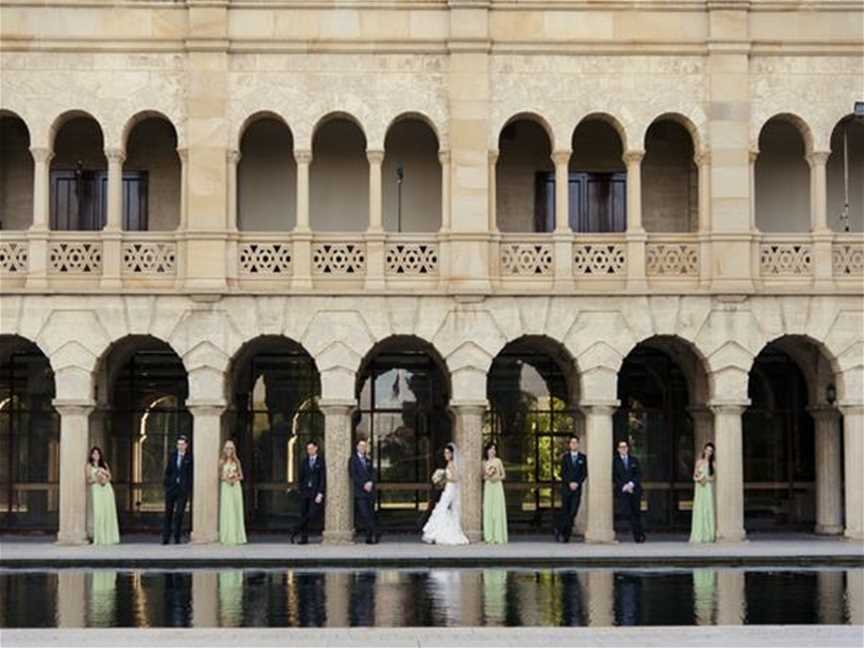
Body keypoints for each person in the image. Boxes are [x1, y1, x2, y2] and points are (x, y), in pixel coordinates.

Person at [422, 443, 469, 545]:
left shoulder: (452, 464)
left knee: (442, 508)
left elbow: (456, 478)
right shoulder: (449, 464)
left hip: (450, 490)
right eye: (445, 453)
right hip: (447, 489)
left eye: (448, 453)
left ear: (452, 454)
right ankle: (439, 533)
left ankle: (442, 534)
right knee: (442, 509)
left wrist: (445, 478)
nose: (446, 455)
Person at [290, 440, 326, 544]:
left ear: (316, 448)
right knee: (304, 513)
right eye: (308, 449)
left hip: (315, 492)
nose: (309, 450)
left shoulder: (321, 461)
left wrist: (320, 493)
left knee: (311, 514)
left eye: (311, 448)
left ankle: (295, 529)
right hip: (305, 492)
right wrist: (301, 489)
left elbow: (322, 478)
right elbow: (301, 477)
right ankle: (303, 538)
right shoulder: (304, 461)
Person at [554, 435, 587, 543]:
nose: (574, 444)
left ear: (578, 444)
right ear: (569, 445)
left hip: (577, 489)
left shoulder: (583, 458)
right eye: (572, 443)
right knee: (566, 511)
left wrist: (577, 483)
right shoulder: (565, 457)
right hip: (566, 488)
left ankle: (560, 529)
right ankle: (565, 535)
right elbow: (562, 472)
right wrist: (569, 482)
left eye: (575, 443)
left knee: (573, 512)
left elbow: (584, 473)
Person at [613, 439, 645, 543]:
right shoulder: (615, 461)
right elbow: (615, 476)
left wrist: (631, 484)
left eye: (625, 447)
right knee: (626, 513)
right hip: (622, 491)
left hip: (634, 491)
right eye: (621, 447)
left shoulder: (634, 460)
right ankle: (621, 534)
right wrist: (624, 486)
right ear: (618, 449)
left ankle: (639, 536)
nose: (623, 449)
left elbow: (638, 474)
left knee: (636, 513)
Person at [86, 446, 120, 545]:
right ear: (91, 455)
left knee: (107, 513)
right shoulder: (89, 466)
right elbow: (88, 480)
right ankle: (99, 537)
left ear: (100, 455)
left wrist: (104, 478)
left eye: (98, 453)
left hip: (107, 490)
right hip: (96, 489)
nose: (96, 455)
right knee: (99, 513)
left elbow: (110, 476)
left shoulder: (104, 464)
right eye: (94, 453)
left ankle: (109, 537)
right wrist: (97, 478)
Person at [163, 435, 193, 545]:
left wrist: (188, 486)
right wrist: (167, 483)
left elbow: (191, 474)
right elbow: (168, 471)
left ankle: (177, 537)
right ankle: (166, 538)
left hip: (182, 490)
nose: (180, 446)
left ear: (186, 445)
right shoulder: (172, 456)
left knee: (179, 513)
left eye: (182, 444)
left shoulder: (190, 457)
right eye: (178, 444)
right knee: (168, 513)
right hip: (171, 488)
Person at [349, 438, 380, 544]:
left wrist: (371, 482)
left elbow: (373, 473)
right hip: (360, 492)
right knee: (364, 514)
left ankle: (369, 537)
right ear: (357, 447)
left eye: (365, 446)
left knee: (371, 514)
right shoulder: (353, 460)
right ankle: (376, 531)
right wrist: (363, 484)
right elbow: (353, 475)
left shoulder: (368, 459)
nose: (363, 448)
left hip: (370, 491)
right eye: (361, 446)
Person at [219, 440, 247, 545]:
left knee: (236, 509)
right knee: (227, 510)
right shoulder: (221, 461)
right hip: (226, 487)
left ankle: (237, 536)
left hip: (235, 487)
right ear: (224, 449)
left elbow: (241, 476)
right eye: (227, 448)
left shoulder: (237, 461)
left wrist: (235, 478)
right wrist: (227, 479)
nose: (229, 450)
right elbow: (220, 476)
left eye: (231, 448)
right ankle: (227, 536)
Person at [689, 442, 716, 543]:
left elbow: (714, 477)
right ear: (704, 450)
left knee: (707, 508)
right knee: (699, 508)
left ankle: (707, 534)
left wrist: (707, 479)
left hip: (707, 487)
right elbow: (694, 475)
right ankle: (698, 534)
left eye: (710, 451)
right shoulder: (699, 462)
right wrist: (699, 478)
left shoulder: (713, 464)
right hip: (699, 487)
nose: (708, 452)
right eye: (707, 450)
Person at [482, 442, 508, 544]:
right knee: (488, 510)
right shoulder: (484, 462)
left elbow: (503, 475)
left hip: (497, 486)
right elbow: (483, 476)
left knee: (497, 510)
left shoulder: (498, 461)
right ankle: (489, 536)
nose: (492, 451)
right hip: (488, 486)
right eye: (490, 449)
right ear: (487, 451)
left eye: (494, 449)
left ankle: (499, 536)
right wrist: (488, 476)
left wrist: (497, 478)